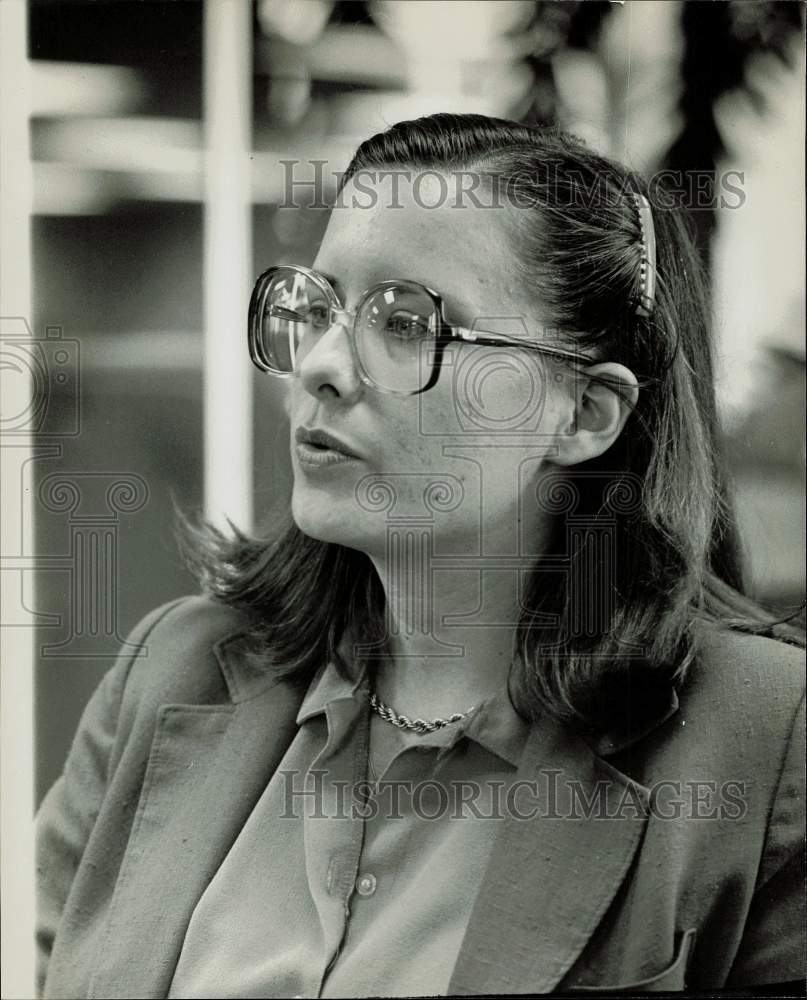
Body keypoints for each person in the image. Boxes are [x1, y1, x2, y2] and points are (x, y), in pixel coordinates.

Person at [37, 114, 805, 998]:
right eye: (317, 307)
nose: (319, 365)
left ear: (584, 413)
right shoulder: (175, 670)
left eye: (405, 321)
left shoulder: (766, 737)